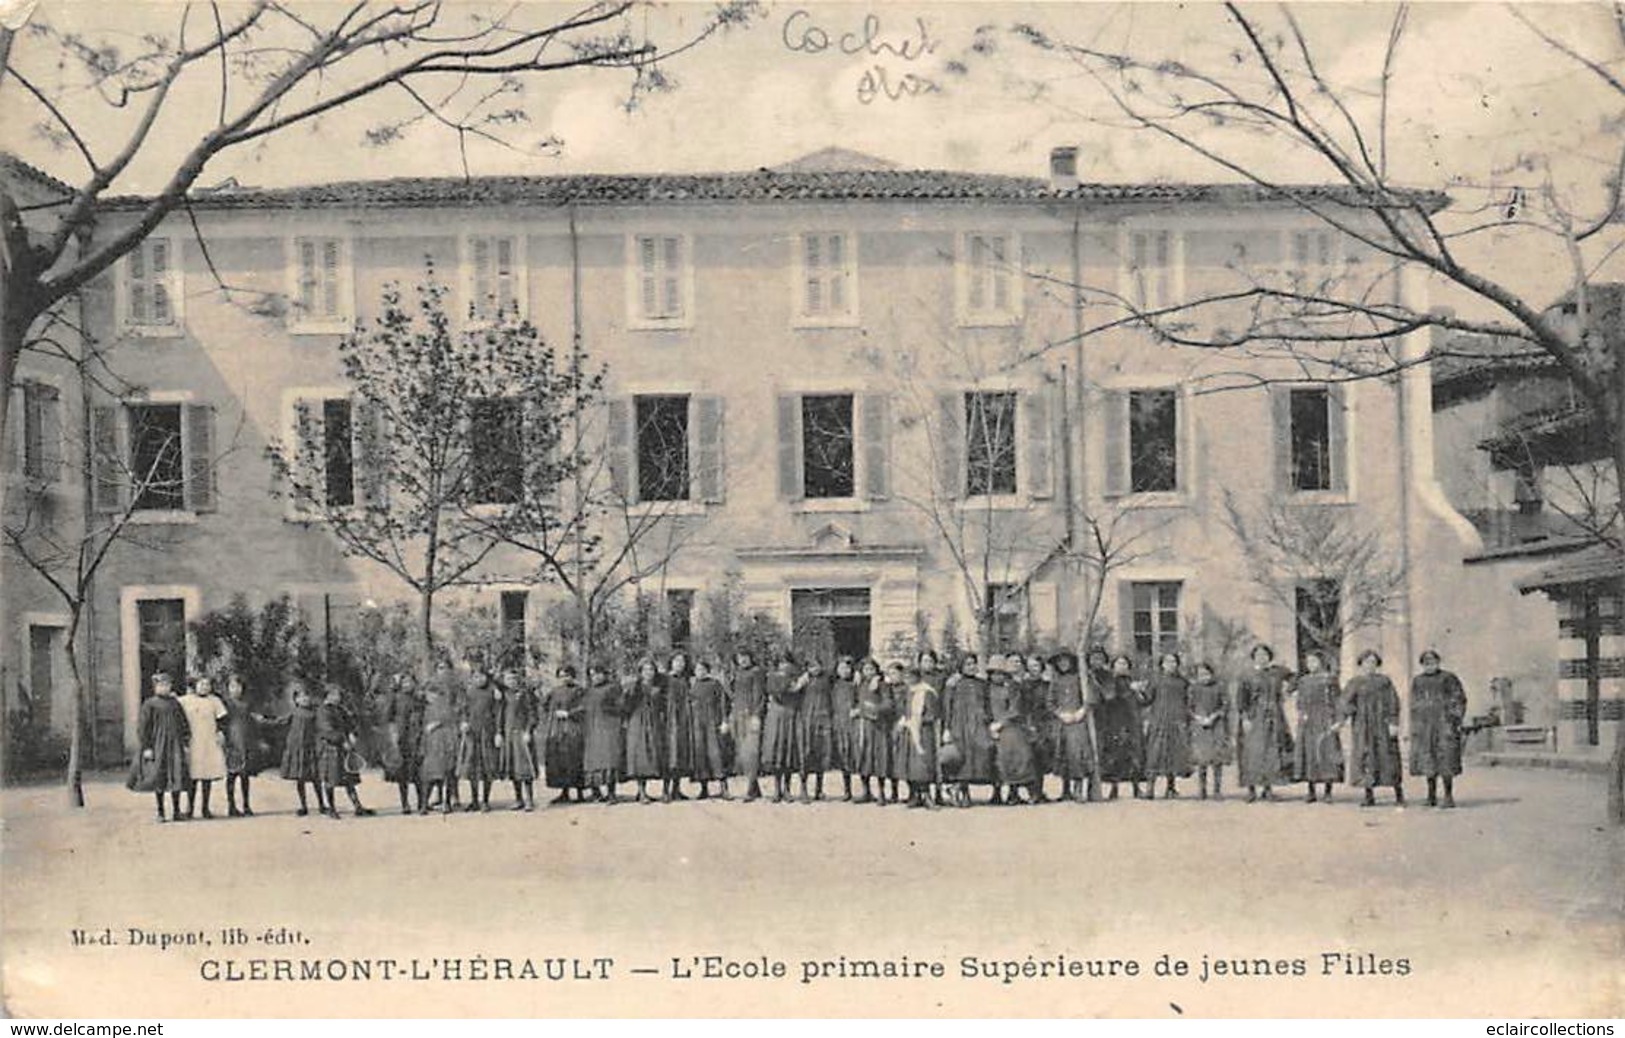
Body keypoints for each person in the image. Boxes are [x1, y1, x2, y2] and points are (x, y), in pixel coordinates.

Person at [1344, 649, 1405, 808]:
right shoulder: (1355, 682)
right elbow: (1345, 702)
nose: (1369, 665)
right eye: (1366, 662)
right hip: (1363, 726)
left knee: (1389, 758)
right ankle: (1369, 795)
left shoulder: (1384, 681)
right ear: (1361, 664)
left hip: (1382, 725)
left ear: (1377, 664)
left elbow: (1393, 702)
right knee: (1366, 759)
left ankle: (1399, 794)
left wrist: (1393, 722)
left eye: (1372, 662)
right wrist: (1347, 713)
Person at [1410, 649, 1467, 808]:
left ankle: (1448, 796)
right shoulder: (1418, 681)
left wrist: (1455, 718)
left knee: (1446, 760)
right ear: (1422, 665)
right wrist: (1416, 725)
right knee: (1428, 761)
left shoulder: (1448, 678)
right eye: (1426, 663)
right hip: (1426, 727)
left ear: (1438, 662)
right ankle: (1431, 796)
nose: (1430, 665)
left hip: (1444, 725)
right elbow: (1414, 704)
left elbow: (1458, 698)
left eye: (1433, 662)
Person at [1237, 644, 1294, 803]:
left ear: (1269, 657)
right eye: (1258, 655)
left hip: (1274, 716)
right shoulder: (1247, 675)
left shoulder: (1276, 673)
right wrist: (1245, 718)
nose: (1262, 658)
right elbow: (1241, 699)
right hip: (1254, 716)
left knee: (1271, 753)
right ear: (1253, 657)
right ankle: (1251, 789)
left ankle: (1268, 789)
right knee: (1252, 753)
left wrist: (1287, 691)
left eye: (1265, 655)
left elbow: (1294, 677)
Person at [134, 671, 190, 823]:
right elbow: (143, 727)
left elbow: (184, 724)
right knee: (159, 777)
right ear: (155, 687)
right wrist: (147, 747)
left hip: (175, 746)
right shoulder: (149, 704)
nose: (164, 687)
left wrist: (185, 742)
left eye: (167, 684)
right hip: (158, 745)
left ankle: (177, 811)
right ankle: (161, 812)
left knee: (176, 776)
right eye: (161, 685)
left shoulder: (175, 703)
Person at [942, 653, 995, 806]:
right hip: (959, 725)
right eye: (968, 664)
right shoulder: (953, 684)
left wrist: (989, 721)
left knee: (978, 757)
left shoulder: (982, 684)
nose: (972, 667)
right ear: (961, 667)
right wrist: (947, 728)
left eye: (973, 664)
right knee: (961, 757)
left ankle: (964, 789)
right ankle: (961, 791)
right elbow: (948, 707)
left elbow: (988, 704)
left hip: (978, 725)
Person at [1293, 650, 1344, 804]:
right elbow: (1300, 701)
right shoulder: (1304, 681)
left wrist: (1338, 720)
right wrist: (1302, 713)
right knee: (1310, 754)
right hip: (1309, 721)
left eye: (1314, 661)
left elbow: (1338, 701)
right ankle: (1311, 791)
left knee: (1326, 753)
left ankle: (1328, 791)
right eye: (1309, 662)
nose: (1311, 665)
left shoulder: (1330, 679)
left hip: (1325, 719)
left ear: (1321, 662)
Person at [316, 684, 374, 819]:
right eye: (335, 694)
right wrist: (342, 740)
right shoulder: (323, 711)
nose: (338, 697)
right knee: (331, 780)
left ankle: (358, 807)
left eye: (339, 694)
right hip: (331, 748)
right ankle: (331, 808)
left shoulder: (340, 709)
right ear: (328, 695)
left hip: (344, 748)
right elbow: (327, 730)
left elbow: (351, 724)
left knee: (349, 779)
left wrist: (353, 734)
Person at [989, 655, 1041, 805]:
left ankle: (1029, 790)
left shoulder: (1012, 687)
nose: (997, 676)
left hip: (1011, 725)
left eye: (1000, 673)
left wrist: (1001, 723)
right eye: (994, 673)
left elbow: (1015, 708)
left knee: (1018, 752)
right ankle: (1004, 792)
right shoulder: (988, 689)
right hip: (992, 726)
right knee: (997, 755)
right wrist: (991, 725)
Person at [1142, 652, 1193, 799]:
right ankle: (1150, 788)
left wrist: (1186, 719)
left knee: (1173, 754)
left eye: (1174, 662)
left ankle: (1171, 787)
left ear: (1178, 664)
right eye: (1167, 661)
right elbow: (1147, 700)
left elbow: (1188, 701)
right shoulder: (1155, 680)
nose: (1171, 664)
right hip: (1159, 721)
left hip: (1177, 721)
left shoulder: (1183, 682)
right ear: (1162, 664)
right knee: (1155, 753)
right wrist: (1138, 693)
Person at [1049, 649, 1098, 803]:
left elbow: (1090, 697)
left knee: (1078, 754)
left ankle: (1079, 788)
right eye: (1060, 661)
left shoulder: (1081, 678)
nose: (1063, 664)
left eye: (1066, 660)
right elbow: (1050, 702)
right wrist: (1060, 714)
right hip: (1063, 722)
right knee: (1063, 754)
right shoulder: (1055, 681)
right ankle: (1066, 790)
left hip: (1078, 721)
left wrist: (1081, 711)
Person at [178, 674, 228, 820]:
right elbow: (178, 718)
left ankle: (205, 808)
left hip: (208, 741)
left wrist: (220, 732)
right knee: (193, 775)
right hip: (193, 741)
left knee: (207, 775)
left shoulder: (215, 701)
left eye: (207, 684)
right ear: (194, 685)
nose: (204, 687)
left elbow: (222, 720)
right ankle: (190, 809)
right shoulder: (185, 701)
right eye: (201, 684)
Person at [1097, 653, 1146, 800]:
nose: (1122, 666)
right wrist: (1129, 690)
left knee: (1134, 753)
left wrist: (1138, 691)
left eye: (1124, 664)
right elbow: (1109, 698)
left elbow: (1143, 702)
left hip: (1132, 721)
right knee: (1115, 754)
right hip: (1115, 721)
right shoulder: (1110, 682)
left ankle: (1136, 786)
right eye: (1119, 664)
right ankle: (1114, 788)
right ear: (1113, 666)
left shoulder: (1133, 682)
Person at [221, 672, 268, 817]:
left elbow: (254, 722)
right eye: (232, 686)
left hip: (246, 739)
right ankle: (231, 806)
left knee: (244, 774)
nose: (235, 690)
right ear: (228, 688)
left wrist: (259, 739)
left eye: (238, 686)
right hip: (232, 739)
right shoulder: (224, 703)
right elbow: (220, 721)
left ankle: (246, 805)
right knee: (231, 774)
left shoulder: (248, 703)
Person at [419, 656, 462, 814]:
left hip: (449, 733)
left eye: (445, 667)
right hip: (432, 738)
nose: (443, 671)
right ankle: (425, 803)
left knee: (449, 768)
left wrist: (444, 722)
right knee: (431, 769)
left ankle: (449, 800)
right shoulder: (430, 688)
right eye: (439, 668)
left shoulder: (455, 687)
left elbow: (458, 709)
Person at [895, 666, 941, 808]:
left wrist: (919, 720)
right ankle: (914, 794)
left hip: (923, 732)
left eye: (910, 677)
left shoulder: (927, 692)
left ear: (917, 677)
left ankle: (926, 795)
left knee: (923, 764)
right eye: (906, 677)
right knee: (909, 763)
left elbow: (932, 714)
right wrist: (904, 721)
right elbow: (904, 710)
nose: (907, 680)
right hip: (909, 731)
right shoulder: (908, 692)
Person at [381, 672, 426, 815]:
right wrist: (393, 735)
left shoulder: (419, 698)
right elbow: (387, 718)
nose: (408, 685)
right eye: (405, 682)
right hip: (402, 738)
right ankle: (405, 804)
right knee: (403, 773)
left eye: (410, 682)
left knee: (419, 773)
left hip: (417, 737)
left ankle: (421, 803)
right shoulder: (395, 698)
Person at [458, 665, 502, 812]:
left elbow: (498, 714)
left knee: (487, 767)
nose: (479, 679)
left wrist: (498, 732)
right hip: (472, 734)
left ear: (487, 677)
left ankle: (485, 800)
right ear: (472, 679)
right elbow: (463, 709)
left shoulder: (493, 692)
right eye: (475, 677)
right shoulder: (469, 692)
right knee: (473, 768)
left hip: (487, 733)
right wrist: (464, 721)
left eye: (482, 676)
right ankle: (474, 800)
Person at [762, 654, 805, 803]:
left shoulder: (798, 676)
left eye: (787, 663)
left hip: (791, 715)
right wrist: (794, 687)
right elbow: (776, 693)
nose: (784, 666)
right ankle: (776, 789)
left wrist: (798, 685)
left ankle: (787, 789)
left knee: (789, 752)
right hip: (777, 715)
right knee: (777, 751)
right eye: (781, 663)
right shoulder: (772, 677)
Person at [542, 664, 587, 804]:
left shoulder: (580, 690)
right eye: (561, 676)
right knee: (560, 760)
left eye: (567, 675)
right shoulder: (554, 691)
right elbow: (545, 706)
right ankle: (564, 791)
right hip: (557, 730)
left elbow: (584, 708)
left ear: (573, 676)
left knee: (575, 759)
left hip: (574, 729)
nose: (564, 679)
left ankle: (580, 793)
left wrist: (569, 713)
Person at [278, 680, 323, 817]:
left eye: (307, 696)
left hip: (311, 749)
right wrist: (262, 719)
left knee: (316, 778)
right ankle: (303, 806)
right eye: (301, 697)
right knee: (300, 778)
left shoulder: (315, 713)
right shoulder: (293, 713)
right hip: (296, 749)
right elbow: (280, 721)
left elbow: (321, 729)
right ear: (296, 700)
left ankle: (322, 804)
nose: (305, 699)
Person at [851, 657, 893, 805]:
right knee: (864, 757)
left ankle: (881, 792)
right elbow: (855, 702)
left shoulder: (883, 685)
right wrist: (855, 710)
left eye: (871, 669)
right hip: (863, 726)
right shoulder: (859, 684)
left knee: (879, 758)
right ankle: (866, 791)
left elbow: (888, 704)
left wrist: (876, 708)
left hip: (878, 727)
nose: (868, 672)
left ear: (876, 670)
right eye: (865, 669)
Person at [727, 651, 767, 802]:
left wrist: (756, 715)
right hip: (738, 715)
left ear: (751, 657)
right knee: (742, 752)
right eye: (739, 657)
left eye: (745, 657)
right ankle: (755, 787)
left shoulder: (756, 673)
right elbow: (734, 695)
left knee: (751, 752)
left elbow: (760, 696)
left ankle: (751, 787)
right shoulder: (736, 673)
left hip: (750, 715)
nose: (742, 660)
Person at [686, 657, 729, 800]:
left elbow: (723, 702)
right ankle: (704, 789)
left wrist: (724, 720)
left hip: (712, 722)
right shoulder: (692, 685)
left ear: (707, 670)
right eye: (698, 669)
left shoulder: (715, 684)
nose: (700, 672)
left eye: (703, 669)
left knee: (716, 754)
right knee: (700, 755)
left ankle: (724, 788)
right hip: (697, 724)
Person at [581, 663, 624, 803]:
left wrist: (610, 709)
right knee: (593, 760)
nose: (595, 677)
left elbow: (621, 706)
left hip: (608, 728)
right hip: (592, 729)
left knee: (609, 759)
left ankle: (611, 793)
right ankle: (596, 792)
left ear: (604, 674)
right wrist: (569, 714)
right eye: (592, 674)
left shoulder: (613, 688)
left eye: (598, 674)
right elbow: (583, 708)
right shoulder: (589, 691)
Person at [1187, 661, 1230, 801]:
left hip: (1216, 725)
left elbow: (1225, 705)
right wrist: (1197, 717)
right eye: (1201, 674)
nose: (1204, 677)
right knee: (1202, 759)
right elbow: (1188, 707)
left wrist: (1214, 716)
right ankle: (1202, 790)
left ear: (1212, 674)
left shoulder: (1219, 687)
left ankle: (1217, 790)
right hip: (1199, 725)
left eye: (1206, 674)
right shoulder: (1193, 689)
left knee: (1217, 758)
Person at [497, 665, 538, 811]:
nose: (511, 681)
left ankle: (529, 800)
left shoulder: (525, 694)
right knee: (513, 768)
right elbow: (500, 716)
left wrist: (528, 731)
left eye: (514, 678)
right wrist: (499, 733)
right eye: (508, 678)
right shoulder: (503, 695)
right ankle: (518, 799)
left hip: (521, 735)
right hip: (509, 735)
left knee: (525, 768)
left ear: (518, 679)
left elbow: (533, 714)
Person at [796, 658, 836, 802]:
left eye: (817, 665)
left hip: (824, 719)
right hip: (808, 720)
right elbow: (792, 692)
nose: (815, 669)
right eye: (811, 666)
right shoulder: (804, 680)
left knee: (823, 754)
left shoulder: (827, 679)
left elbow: (844, 673)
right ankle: (803, 789)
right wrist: (799, 683)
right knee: (806, 754)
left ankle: (819, 790)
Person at [1023, 653, 1057, 802]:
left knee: (1041, 754)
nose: (1033, 670)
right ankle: (1032, 792)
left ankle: (1038, 790)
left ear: (1041, 668)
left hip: (1043, 723)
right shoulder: (1023, 686)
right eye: (1030, 667)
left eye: (1036, 666)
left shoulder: (1047, 686)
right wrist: (1028, 724)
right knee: (1028, 755)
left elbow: (1050, 706)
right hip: (1026, 723)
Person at [663, 651, 695, 802]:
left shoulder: (686, 680)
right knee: (670, 755)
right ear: (671, 662)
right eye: (676, 661)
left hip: (683, 719)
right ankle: (665, 790)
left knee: (681, 753)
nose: (679, 664)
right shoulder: (665, 679)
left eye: (682, 661)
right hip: (669, 720)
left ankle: (676, 789)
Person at [827, 657, 859, 801]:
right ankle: (847, 790)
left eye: (847, 668)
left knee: (853, 754)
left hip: (852, 723)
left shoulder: (855, 684)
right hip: (838, 722)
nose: (844, 671)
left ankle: (865, 789)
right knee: (842, 755)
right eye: (841, 668)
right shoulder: (833, 684)